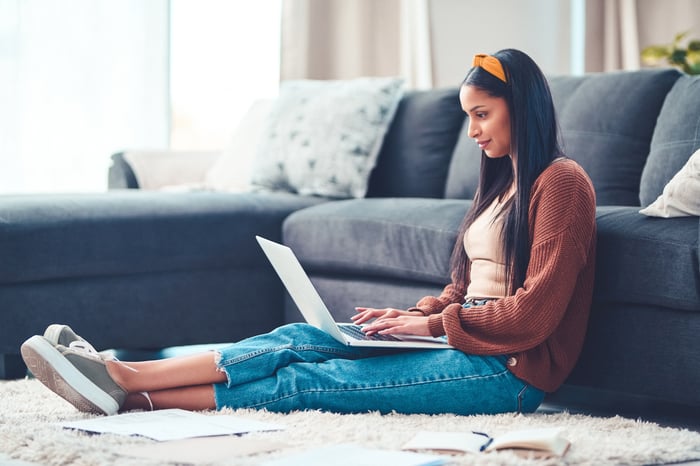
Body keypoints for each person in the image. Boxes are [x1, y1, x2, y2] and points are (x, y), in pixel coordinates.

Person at [20, 48, 596, 417]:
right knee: (301, 337)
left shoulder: (562, 184)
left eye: (482, 114)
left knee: (312, 381)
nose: (471, 130)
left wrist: (433, 324)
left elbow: (532, 316)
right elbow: (465, 287)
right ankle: (122, 373)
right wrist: (415, 318)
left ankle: (129, 396)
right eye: (467, 116)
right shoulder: (499, 187)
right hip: (460, 340)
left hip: (508, 372)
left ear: (520, 107)